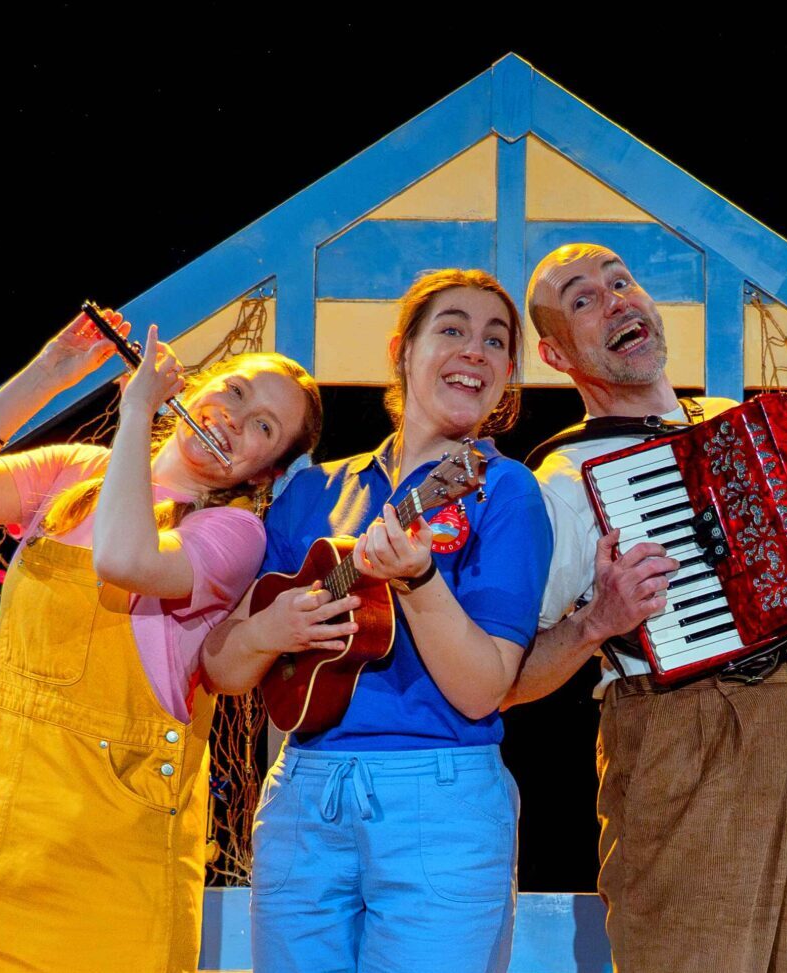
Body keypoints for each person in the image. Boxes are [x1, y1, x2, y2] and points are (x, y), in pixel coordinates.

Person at [506, 243, 787, 972]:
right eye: (583, 299)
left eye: (621, 281)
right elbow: (509, 677)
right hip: (681, 728)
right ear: (555, 354)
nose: (615, 300)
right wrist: (596, 623)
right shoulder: (564, 481)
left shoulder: (740, 421)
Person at [0, 308, 322, 973]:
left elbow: (125, 559)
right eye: (235, 391)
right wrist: (49, 373)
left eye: (264, 427)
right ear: (195, 388)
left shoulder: (233, 534)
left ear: (265, 472)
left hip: (114, 854)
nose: (236, 419)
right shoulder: (76, 474)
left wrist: (134, 418)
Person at [202, 269, 551, 973]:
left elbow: (483, 688)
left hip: (439, 800)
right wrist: (272, 631)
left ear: (508, 376)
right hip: (304, 790)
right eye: (452, 329)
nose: (475, 350)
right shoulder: (312, 489)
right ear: (402, 350)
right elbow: (222, 666)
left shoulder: (502, 489)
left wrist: (419, 581)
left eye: (495, 341)